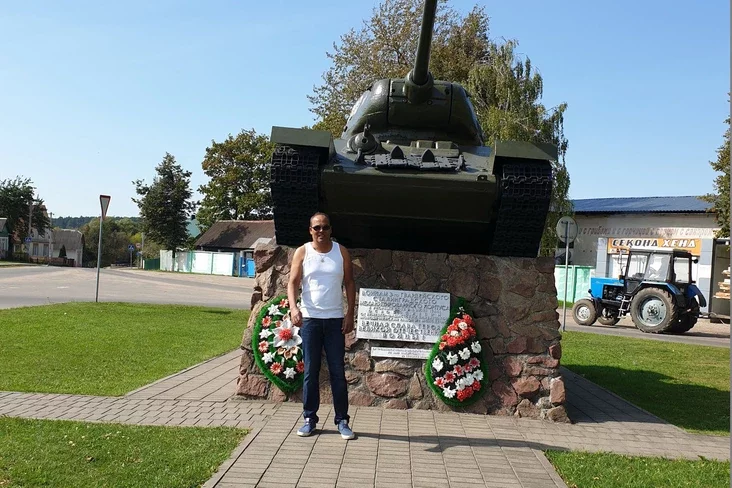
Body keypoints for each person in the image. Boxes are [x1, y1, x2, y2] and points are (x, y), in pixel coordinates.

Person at [287, 212, 356, 440]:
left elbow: (349, 283)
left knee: (338, 372)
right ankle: (309, 419)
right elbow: (292, 283)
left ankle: (342, 420)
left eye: (325, 227)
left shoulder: (341, 252)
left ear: (331, 230)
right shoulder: (303, 251)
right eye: (316, 227)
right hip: (310, 320)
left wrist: (349, 313)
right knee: (310, 371)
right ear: (310, 230)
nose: (321, 231)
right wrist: (294, 308)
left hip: (335, 319)